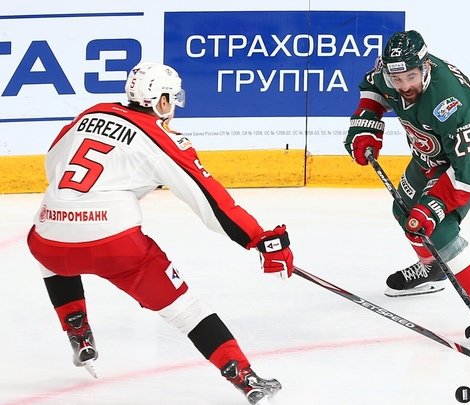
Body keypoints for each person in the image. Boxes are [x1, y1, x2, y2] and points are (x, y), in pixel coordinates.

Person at [26, 62, 292, 405]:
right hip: (117, 247)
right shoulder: (161, 137)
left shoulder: (92, 112)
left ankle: (76, 326)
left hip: (49, 238)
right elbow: (212, 202)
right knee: (185, 310)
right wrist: (258, 239)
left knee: (51, 244)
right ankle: (244, 376)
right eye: (171, 98)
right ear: (161, 101)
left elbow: (53, 160)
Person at [343, 30, 470, 351]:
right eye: (397, 79)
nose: (404, 86)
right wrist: (367, 124)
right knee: (403, 210)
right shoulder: (389, 73)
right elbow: (373, 89)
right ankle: (433, 268)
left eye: (411, 77)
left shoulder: (451, 105)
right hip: (431, 151)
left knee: (438, 227)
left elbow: (466, 174)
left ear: (425, 68)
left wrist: (432, 207)